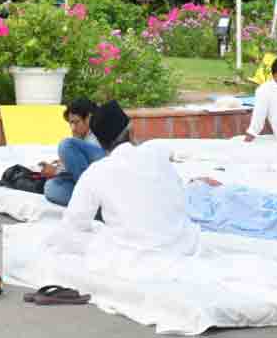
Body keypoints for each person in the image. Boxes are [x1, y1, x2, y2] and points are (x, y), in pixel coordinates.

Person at [45, 101, 207, 276]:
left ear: (99, 142)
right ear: (131, 131)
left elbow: (73, 226)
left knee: (64, 235)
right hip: (182, 241)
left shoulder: (96, 171)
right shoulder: (156, 152)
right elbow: (179, 198)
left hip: (135, 252)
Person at [41, 98, 104, 206]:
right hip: (90, 187)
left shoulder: (98, 133)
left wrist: (57, 171)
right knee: (50, 187)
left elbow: (95, 168)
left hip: (101, 183)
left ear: (88, 118)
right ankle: (92, 204)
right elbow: (82, 170)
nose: (73, 128)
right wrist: (65, 163)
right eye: (70, 123)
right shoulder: (83, 138)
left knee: (66, 144)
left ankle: (93, 201)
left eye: (76, 122)